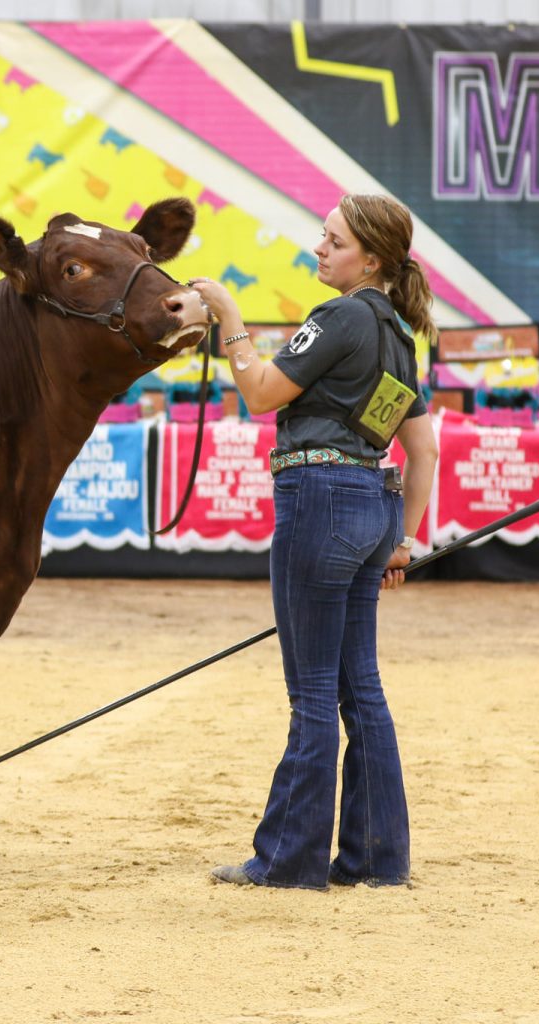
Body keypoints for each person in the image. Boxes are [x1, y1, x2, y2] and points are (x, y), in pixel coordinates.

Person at [188, 194, 440, 889]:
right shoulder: (398, 334)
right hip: (372, 506)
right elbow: (422, 450)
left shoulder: (341, 316)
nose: (319, 250)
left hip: (319, 499)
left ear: (372, 259)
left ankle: (288, 860)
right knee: (361, 687)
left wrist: (229, 318)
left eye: (332, 242)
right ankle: (375, 859)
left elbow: (263, 393)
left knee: (312, 693)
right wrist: (403, 542)